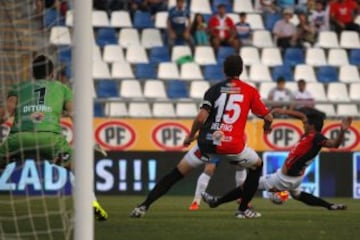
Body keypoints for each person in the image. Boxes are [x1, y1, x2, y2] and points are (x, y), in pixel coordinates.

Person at [130, 55, 273, 219]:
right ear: (241, 70)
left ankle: (143, 206)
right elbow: (268, 117)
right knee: (257, 166)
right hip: (233, 146)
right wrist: (266, 127)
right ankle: (242, 209)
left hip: (207, 143)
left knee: (176, 174)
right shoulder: (249, 91)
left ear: (223, 70)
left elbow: (200, 118)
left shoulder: (214, 90)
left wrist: (190, 136)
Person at [0, 55, 108, 221]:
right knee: (79, 169)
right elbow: (76, 116)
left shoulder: (19, 87)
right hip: (50, 140)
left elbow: (5, 114)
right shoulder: (62, 88)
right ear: (51, 73)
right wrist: (90, 141)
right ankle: (90, 204)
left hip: (19, 140)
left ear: (32, 72)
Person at [202, 108, 351, 211]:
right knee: (298, 195)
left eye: (306, 123)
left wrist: (342, 131)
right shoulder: (310, 134)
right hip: (294, 177)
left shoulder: (317, 137)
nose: (303, 124)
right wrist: (283, 111)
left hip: (284, 179)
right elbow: (301, 116)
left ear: (312, 126)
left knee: (248, 186)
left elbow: (335, 144)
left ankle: (217, 202)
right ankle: (330, 206)